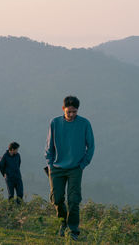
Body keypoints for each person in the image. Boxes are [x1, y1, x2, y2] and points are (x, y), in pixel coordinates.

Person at [45, 96, 95, 240]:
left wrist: (83, 164)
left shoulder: (84, 123)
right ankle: (63, 223)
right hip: (56, 168)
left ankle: (73, 230)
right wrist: (50, 164)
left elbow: (90, 146)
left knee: (74, 200)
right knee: (57, 198)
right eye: (69, 112)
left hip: (75, 168)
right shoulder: (55, 122)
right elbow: (48, 147)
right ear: (63, 109)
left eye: (74, 112)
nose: (72, 114)